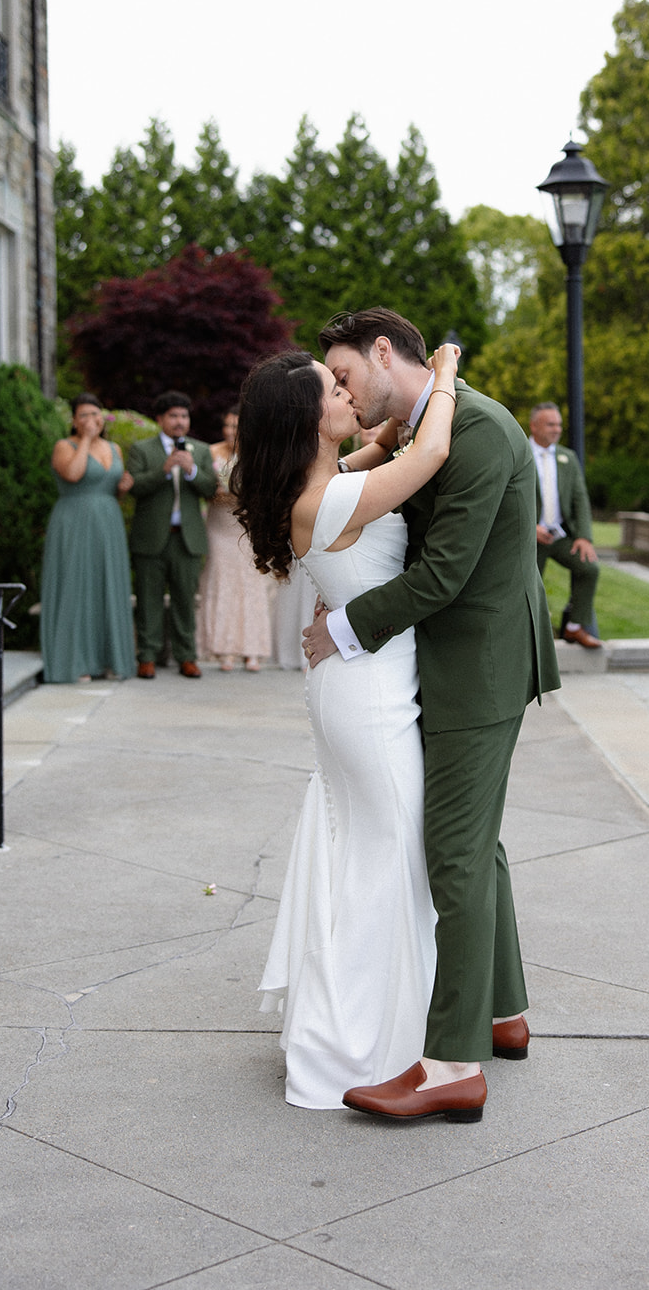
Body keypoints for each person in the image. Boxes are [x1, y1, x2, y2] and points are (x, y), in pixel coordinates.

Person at [304, 308, 560, 1124]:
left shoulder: (473, 430)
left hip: (477, 670)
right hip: (451, 665)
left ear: (384, 354)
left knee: (452, 851)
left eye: (344, 374)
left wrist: (344, 628)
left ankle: (451, 1065)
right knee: (475, 843)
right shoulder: (427, 425)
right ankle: (503, 1012)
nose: (342, 391)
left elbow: (445, 571)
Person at [232, 341, 462, 1108]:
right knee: (386, 863)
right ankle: (360, 1046)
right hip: (368, 701)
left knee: (370, 855)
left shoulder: (325, 483)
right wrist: (444, 371)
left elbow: (382, 449)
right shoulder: (328, 499)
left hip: (355, 688)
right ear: (308, 420)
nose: (344, 392)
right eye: (331, 389)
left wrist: (387, 421)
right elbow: (429, 453)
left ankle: (377, 1030)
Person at [40, 394, 135, 684]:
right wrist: (85, 439)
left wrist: (123, 488)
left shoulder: (114, 448)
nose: (91, 419)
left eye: (95, 413)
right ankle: (75, 661)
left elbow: (112, 488)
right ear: (73, 420)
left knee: (107, 586)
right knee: (76, 585)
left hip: (108, 523)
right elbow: (73, 473)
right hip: (74, 521)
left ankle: (108, 659)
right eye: (83, 415)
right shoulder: (64, 446)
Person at [126, 391, 216, 679]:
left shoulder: (200, 450)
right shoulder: (142, 450)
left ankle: (186, 656)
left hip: (187, 539)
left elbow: (211, 488)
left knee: (185, 601)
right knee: (148, 600)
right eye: (173, 416)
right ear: (160, 419)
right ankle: (147, 657)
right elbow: (135, 487)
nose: (179, 421)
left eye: (184, 416)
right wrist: (163, 470)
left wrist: (192, 471)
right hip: (151, 537)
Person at [197, 408, 272, 671]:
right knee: (221, 581)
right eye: (227, 426)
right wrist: (216, 492)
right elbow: (202, 487)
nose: (230, 431)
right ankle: (223, 649)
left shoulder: (258, 455)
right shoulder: (211, 452)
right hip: (219, 524)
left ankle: (252, 649)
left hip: (247, 525)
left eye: (235, 426)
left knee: (251, 584)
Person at [529, 402, 602, 649]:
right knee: (529, 587)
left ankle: (574, 627)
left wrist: (584, 537)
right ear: (534, 426)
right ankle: (533, 635)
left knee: (588, 568)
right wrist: (530, 528)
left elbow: (580, 499)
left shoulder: (567, 458)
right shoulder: (520, 452)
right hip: (529, 537)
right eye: (551, 424)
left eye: (559, 424)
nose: (557, 429)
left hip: (559, 536)